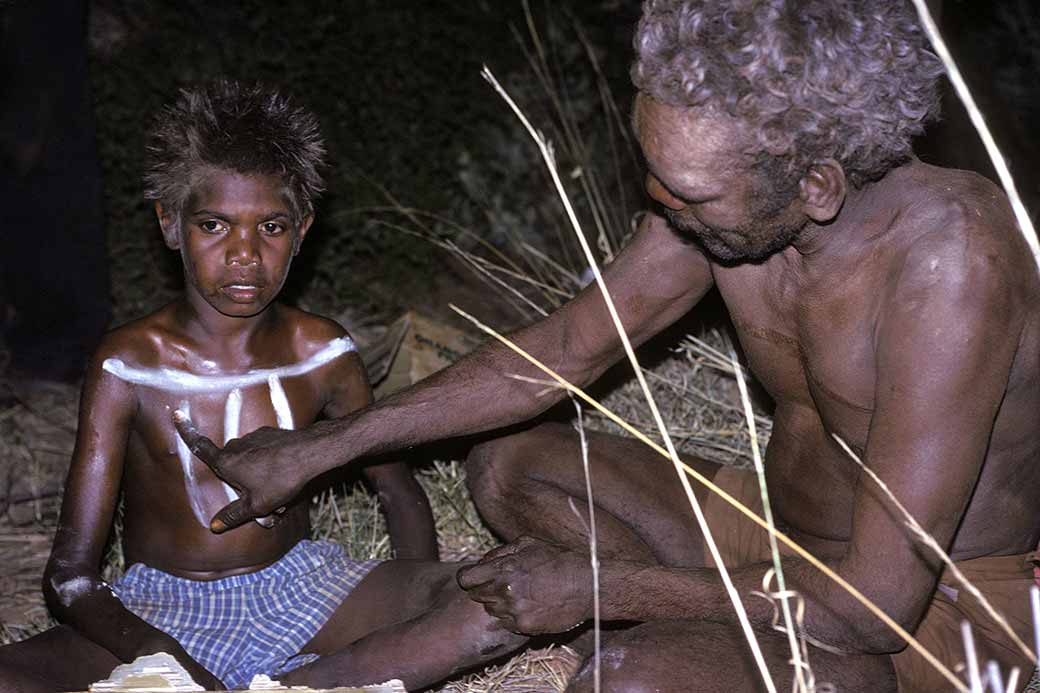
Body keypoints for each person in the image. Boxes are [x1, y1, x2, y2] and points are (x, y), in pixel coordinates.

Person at [172, 2, 1040, 691]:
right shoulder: (722, 209)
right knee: (510, 464)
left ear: (816, 185)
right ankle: (724, 635)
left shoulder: (952, 268)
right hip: (777, 534)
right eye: (651, 167)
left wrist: (597, 588)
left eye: (689, 191)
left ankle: (739, 655)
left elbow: (873, 606)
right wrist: (322, 447)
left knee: (632, 680)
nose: (660, 200)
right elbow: (559, 354)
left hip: (934, 613)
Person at [0, 82, 535, 693]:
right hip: (163, 608)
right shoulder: (127, 365)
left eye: (271, 226)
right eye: (214, 225)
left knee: (501, 600)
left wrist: (407, 617)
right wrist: (159, 653)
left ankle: (319, 678)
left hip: (302, 589)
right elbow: (70, 575)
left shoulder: (323, 353)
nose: (245, 255)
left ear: (302, 231)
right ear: (171, 226)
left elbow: (400, 495)